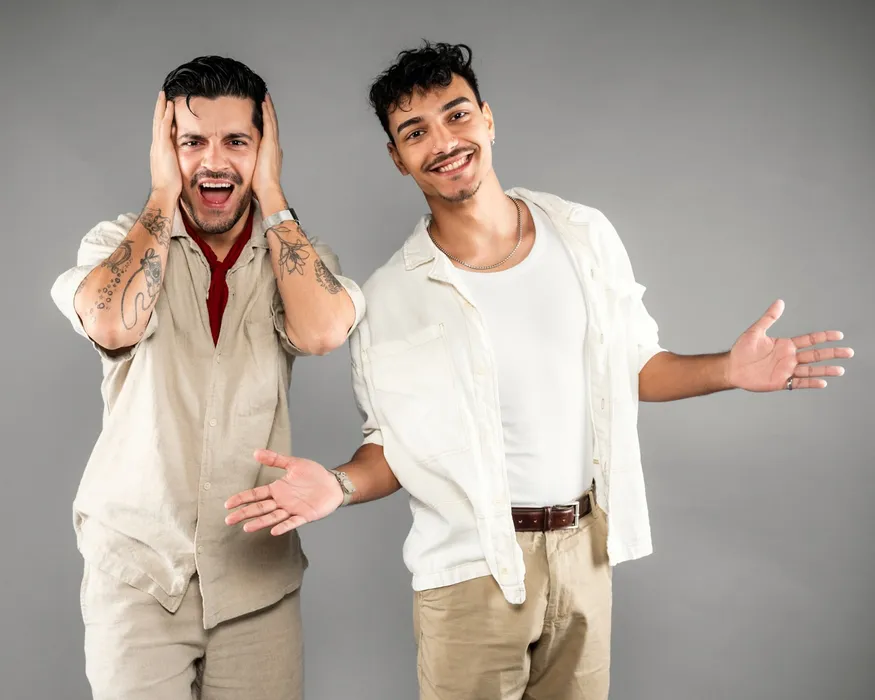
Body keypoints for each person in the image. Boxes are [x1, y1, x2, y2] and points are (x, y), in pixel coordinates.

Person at [224, 42, 853, 699]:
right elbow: (393, 447)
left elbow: (634, 368)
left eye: (456, 115)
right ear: (397, 156)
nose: (443, 142)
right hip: (468, 572)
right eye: (415, 132)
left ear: (488, 119)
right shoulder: (389, 296)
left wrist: (729, 369)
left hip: (586, 554)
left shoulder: (582, 235)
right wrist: (338, 485)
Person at [51, 55, 364, 700]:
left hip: (256, 583)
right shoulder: (116, 244)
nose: (213, 162)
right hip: (138, 574)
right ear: (166, 149)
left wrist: (272, 195)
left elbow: (324, 332)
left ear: (264, 150)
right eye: (192, 142)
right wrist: (161, 195)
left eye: (236, 142)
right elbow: (110, 323)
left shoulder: (296, 256)